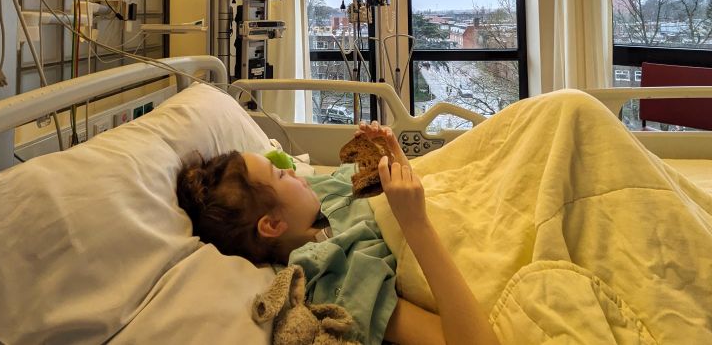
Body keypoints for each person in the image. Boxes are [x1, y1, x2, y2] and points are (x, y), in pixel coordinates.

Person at [177, 121, 497, 345]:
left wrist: (394, 163)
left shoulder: (320, 194)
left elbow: (397, 191)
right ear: (272, 225)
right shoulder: (334, 279)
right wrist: (416, 224)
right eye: (280, 175)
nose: (290, 169)